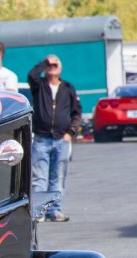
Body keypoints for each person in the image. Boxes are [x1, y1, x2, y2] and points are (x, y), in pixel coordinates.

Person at [27, 54, 82, 222]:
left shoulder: (68, 88)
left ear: (61, 68)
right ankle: (39, 211)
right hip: (41, 139)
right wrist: (45, 62)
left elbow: (76, 112)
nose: (52, 66)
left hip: (61, 139)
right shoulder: (39, 85)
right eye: (49, 65)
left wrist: (70, 133)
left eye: (55, 64)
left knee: (58, 177)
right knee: (39, 178)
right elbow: (32, 75)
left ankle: (55, 210)